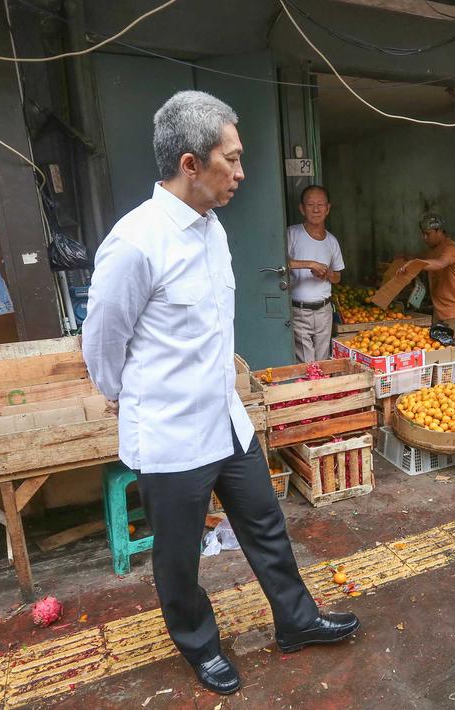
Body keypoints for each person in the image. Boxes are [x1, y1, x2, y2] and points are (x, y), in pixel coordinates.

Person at [82, 91, 358, 696]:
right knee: (178, 557)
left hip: (226, 421)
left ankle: (297, 619)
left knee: (266, 525)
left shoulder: (213, 228)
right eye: (230, 160)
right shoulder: (136, 243)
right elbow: (101, 344)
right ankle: (200, 645)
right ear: (189, 164)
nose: (240, 172)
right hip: (171, 432)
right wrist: (125, 395)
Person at [286, 185, 344, 362]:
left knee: (323, 360)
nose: (316, 209)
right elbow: (281, 264)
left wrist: (326, 274)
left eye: (321, 204)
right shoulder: (292, 234)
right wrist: (309, 264)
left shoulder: (332, 241)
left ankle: (321, 388)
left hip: (324, 311)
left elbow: (338, 277)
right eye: (311, 204)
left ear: (328, 208)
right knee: (306, 362)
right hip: (299, 310)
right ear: (302, 208)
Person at [401, 214, 455, 334]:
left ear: (439, 231)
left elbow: (440, 263)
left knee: (453, 349)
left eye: (428, 234)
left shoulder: (451, 248)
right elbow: (425, 261)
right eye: (423, 234)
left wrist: (415, 263)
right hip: (439, 312)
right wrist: (405, 259)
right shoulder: (432, 251)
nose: (424, 237)